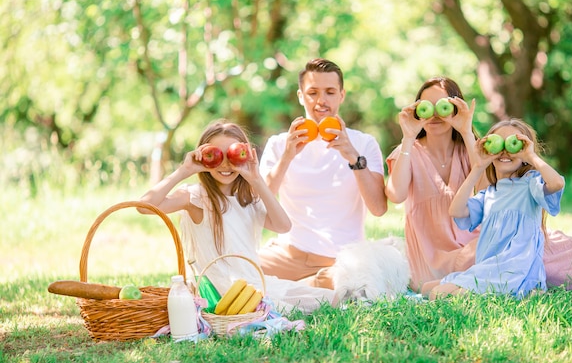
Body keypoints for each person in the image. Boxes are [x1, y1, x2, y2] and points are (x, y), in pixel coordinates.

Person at [385, 77, 572, 293]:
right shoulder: (407, 152)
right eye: (426, 107)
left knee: (545, 240)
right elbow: (395, 195)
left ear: (457, 108)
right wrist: (407, 136)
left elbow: (490, 188)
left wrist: (466, 130)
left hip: (486, 243)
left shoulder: (475, 148)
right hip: (436, 257)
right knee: (532, 250)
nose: (435, 115)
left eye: (443, 107)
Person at [138, 119, 335, 314]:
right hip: (221, 291)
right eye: (216, 155)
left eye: (231, 155)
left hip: (255, 283)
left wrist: (256, 179)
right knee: (286, 309)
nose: (224, 164)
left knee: (326, 298)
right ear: (203, 156)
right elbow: (144, 207)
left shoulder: (247, 198)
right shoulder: (194, 197)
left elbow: (284, 226)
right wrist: (184, 171)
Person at [258, 58, 388, 289]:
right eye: (312, 92)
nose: (321, 101)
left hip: (342, 261)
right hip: (289, 255)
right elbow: (259, 203)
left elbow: (378, 208)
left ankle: (303, 287)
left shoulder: (363, 144)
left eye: (329, 92)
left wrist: (353, 158)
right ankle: (308, 286)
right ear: (300, 96)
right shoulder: (279, 144)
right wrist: (287, 156)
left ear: (342, 95)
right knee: (234, 276)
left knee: (359, 283)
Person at [428, 119, 564, 299]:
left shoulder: (530, 184)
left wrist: (531, 156)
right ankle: (517, 293)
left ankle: (522, 290)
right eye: (498, 144)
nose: (504, 151)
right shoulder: (490, 193)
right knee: (427, 287)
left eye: (512, 143)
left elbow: (557, 183)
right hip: (489, 268)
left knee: (436, 294)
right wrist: (478, 166)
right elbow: (456, 211)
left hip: (514, 270)